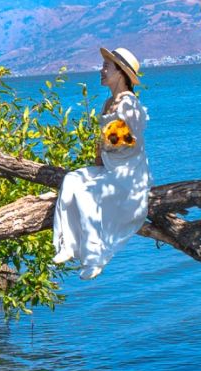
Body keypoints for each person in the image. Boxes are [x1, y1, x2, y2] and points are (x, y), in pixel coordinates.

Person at [52, 45, 152, 280]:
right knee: (72, 180)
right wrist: (99, 158)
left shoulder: (129, 104)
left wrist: (107, 145)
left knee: (87, 195)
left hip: (129, 172)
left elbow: (130, 143)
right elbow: (104, 141)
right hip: (110, 166)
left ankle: (94, 257)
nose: (102, 70)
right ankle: (67, 244)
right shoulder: (109, 103)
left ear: (120, 73)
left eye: (106, 66)